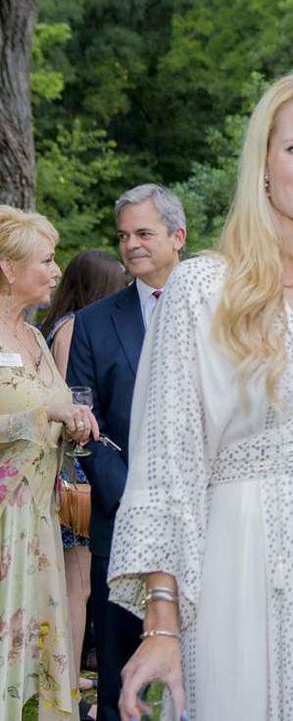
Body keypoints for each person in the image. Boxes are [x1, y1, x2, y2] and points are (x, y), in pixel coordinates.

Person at [109, 73, 293, 720]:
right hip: (239, 571)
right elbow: (166, 465)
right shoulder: (202, 289)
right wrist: (161, 624)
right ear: (263, 165)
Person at [67, 184, 186, 721]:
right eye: (124, 236)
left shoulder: (221, 308)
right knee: (121, 683)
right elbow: (83, 423)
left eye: (144, 233)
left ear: (177, 236)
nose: (131, 245)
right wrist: (132, 496)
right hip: (120, 523)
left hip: (205, 521)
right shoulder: (92, 323)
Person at [1, 205, 99, 720]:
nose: (57, 271)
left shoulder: (36, 338)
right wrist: (44, 413)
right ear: (8, 268)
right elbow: (37, 412)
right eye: (46, 259)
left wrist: (74, 423)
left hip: (37, 521)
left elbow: (59, 409)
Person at [41, 249, 129, 717]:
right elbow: (76, 402)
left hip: (69, 466)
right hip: (77, 469)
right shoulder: (78, 327)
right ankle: (72, 683)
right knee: (79, 583)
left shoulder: (55, 324)